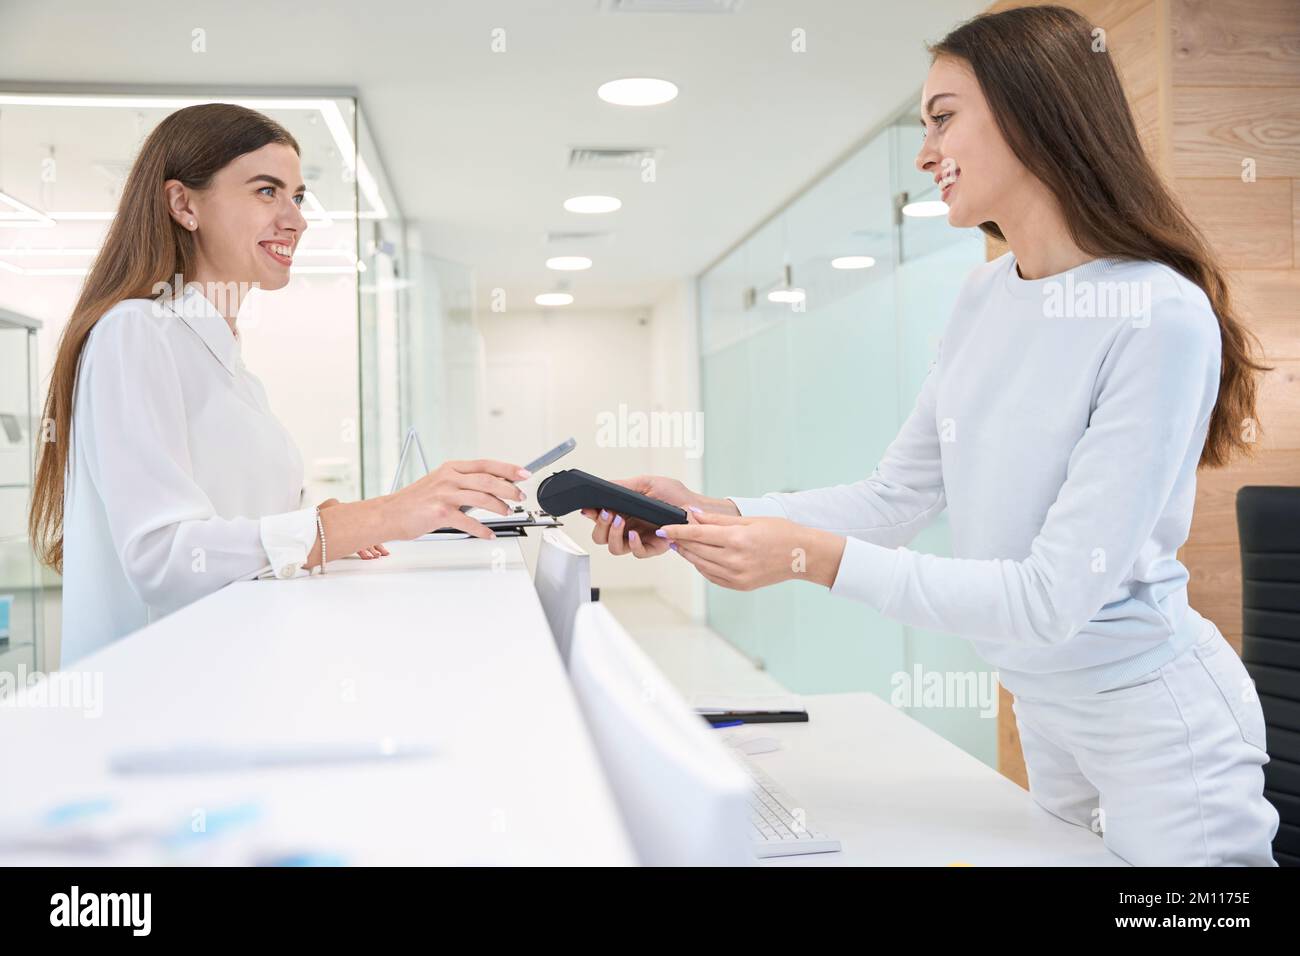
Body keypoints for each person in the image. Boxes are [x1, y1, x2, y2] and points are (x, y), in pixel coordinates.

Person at [583, 5, 1279, 866]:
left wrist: (809, 556)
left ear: (1035, 110)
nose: (923, 153)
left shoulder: (1157, 314)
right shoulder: (983, 298)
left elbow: (1050, 599)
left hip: (1157, 722)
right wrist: (712, 511)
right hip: (1045, 708)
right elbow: (895, 497)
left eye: (943, 117)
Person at [29, 103, 528, 664]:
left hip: (235, 672)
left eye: (297, 196)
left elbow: (243, 533)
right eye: (267, 191)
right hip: (159, 699)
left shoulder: (236, 372)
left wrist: (331, 527)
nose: (295, 218)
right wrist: (373, 516)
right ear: (182, 203)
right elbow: (163, 558)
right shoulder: (136, 333)